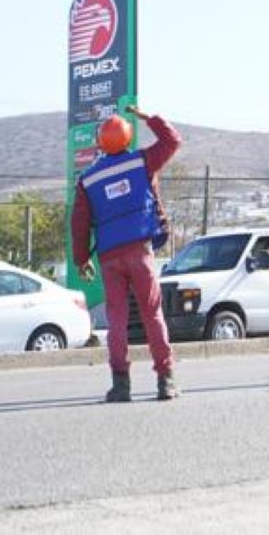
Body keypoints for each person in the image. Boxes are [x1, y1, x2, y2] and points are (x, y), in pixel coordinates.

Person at [70, 105, 181, 403]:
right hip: (140, 251)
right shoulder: (142, 161)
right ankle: (165, 381)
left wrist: (82, 260)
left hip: (109, 257)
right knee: (152, 314)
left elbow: (79, 224)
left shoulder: (88, 179)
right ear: (128, 138)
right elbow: (173, 141)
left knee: (116, 319)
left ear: (101, 143)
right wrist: (150, 119)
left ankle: (121, 385)